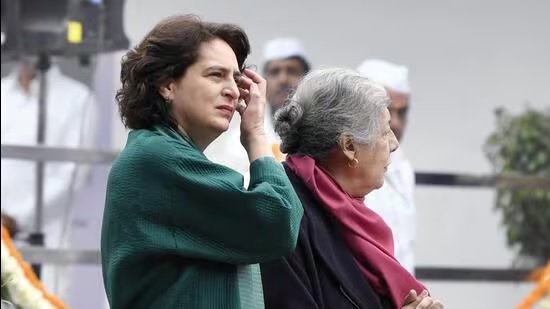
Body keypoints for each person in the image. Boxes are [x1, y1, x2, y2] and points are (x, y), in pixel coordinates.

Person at [101, 15, 304, 309]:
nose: (233, 90)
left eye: (236, 79)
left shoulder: (164, 153)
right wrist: (256, 134)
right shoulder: (158, 158)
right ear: (167, 84)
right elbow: (278, 222)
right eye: (215, 75)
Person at [260, 68, 443, 308]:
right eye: (385, 131)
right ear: (349, 146)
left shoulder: (353, 216)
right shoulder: (284, 213)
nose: (394, 144)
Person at [1, 58, 97, 299]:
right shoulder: (2, 92)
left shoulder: (77, 98)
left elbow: (72, 175)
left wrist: (14, 218)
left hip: (46, 240)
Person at [204, 37, 310, 175]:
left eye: (291, 71)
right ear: (264, 80)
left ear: (307, 79)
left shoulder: (322, 132)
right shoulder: (239, 139)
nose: (283, 79)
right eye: (275, 72)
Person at [357, 59, 416, 274]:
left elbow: (405, 249)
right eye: (390, 111)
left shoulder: (405, 169)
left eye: (404, 112)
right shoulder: (347, 166)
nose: (398, 123)